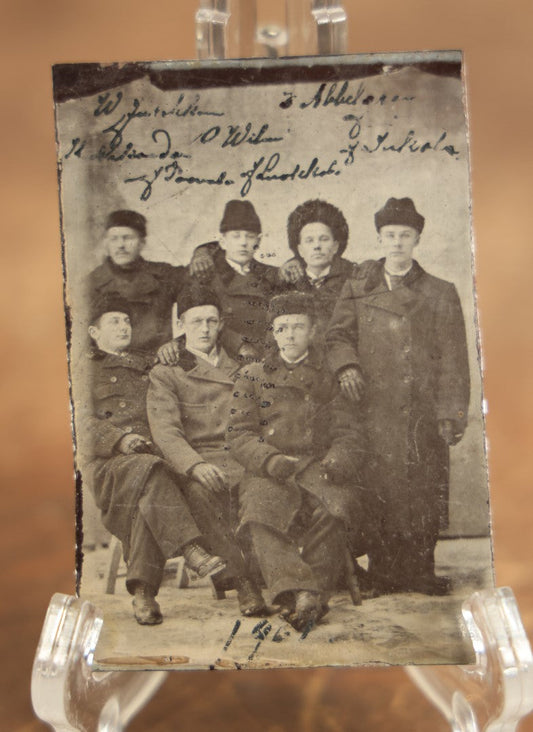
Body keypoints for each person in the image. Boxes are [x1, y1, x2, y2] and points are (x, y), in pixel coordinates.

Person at [326, 197, 470, 595]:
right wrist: (347, 367)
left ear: (417, 239)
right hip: (374, 410)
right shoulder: (359, 287)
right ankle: (385, 573)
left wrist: (451, 412)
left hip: (422, 413)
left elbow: (454, 360)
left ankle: (421, 571)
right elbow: (337, 336)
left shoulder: (440, 291)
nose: (397, 242)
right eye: (389, 235)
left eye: (405, 235)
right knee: (381, 491)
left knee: (423, 490)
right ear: (379, 238)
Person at [80, 295, 226, 626]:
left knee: (152, 483)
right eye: (114, 321)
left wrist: (174, 344)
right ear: (93, 331)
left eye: (127, 321)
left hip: (153, 460)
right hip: (110, 463)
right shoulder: (84, 369)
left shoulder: (149, 362)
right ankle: (190, 550)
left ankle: (144, 594)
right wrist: (118, 439)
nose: (123, 326)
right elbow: (77, 420)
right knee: (151, 472)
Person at [227, 293, 366, 632]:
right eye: (282, 328)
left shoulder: (329, 376)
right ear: (272, 333)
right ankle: (303, 592)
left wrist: (337, 460)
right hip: (269, 469)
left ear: (312, 331)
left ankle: (307, 597)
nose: (290, 335)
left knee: (334, 508)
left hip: (317, 465)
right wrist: (270, 460)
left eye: (298, 327)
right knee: (259, 514)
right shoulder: (252, 375)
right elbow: (238, 434)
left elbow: (349, 431)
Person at [147, 286, 266, 617]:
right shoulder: (166, 372)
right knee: (199, 494)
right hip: (198, 458)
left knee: (267, 489)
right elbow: (166, 431)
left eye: (211, 321)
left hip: (243, 456)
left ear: (221, 325)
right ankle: (243, 583)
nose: (204, 329)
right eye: (196, 321)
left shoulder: (242, 367)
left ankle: (272, 573)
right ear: (181, 323)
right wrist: (194, 465)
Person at [86, 210, 210, 354]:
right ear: (106, 243)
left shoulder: (164, 275)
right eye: (114, 239)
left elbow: (201, 286)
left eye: (128, 238)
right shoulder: (90, 283)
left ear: (142, 243)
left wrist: (202, 251)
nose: (121, 245)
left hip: (155, 365)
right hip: (109, 369)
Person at [187, 199, 282, 362]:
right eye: (236, 236)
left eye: (250, 236)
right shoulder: (206, 275)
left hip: (264, 360)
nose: (243, 243)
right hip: (219, 360)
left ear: (258, 241)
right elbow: (200, 321)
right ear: (222, 242)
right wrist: (240, 345)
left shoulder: (271, 275)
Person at [281, 199, 357, 338]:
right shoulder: (287, 282)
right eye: (309, 240)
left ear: (335, 246)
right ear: (300, 250)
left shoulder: (353, 279)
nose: (317, 246)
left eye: (324, 239)